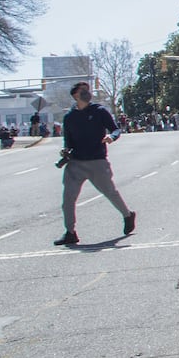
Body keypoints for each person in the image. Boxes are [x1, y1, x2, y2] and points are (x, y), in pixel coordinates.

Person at [55, 82, 136, 246]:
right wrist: (65, 151)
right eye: (83, 91)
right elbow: (67, 141)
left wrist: (111, 137)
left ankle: (127, 215)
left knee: (110, 192)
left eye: (88, 90)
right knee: (68, 199)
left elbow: (115, 129)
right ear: (75, 95)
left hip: (97, 161)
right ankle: (70, 232)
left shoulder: (99, 112)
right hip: (76, 164)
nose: (87, 93)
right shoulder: (69, 117)